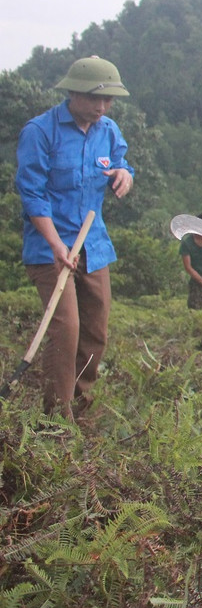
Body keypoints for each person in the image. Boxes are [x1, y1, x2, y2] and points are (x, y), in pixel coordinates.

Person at [15, 56, 135, 418]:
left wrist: (124, 176)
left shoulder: (108, 130)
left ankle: (82, 409)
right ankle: (57, 419)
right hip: (50, 247)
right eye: (94, 98)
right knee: (67, 329)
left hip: (93, 245)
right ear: (72, 93)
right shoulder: (40, 132)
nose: (101, 107)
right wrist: (55, 245)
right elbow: (33, 194)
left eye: (108, 100)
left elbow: (122, 163)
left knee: (96, 332)